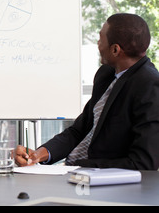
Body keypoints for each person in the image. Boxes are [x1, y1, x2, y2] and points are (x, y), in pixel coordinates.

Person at [15, 13, 159, 170]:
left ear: (115, 49)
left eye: (100, 38)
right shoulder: (106, 75)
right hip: (74, 174)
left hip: (104, 184)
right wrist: (39, 154)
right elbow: (80, 130)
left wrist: (79, 167)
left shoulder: (150, 85)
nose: (98, 44)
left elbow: (144, 162)